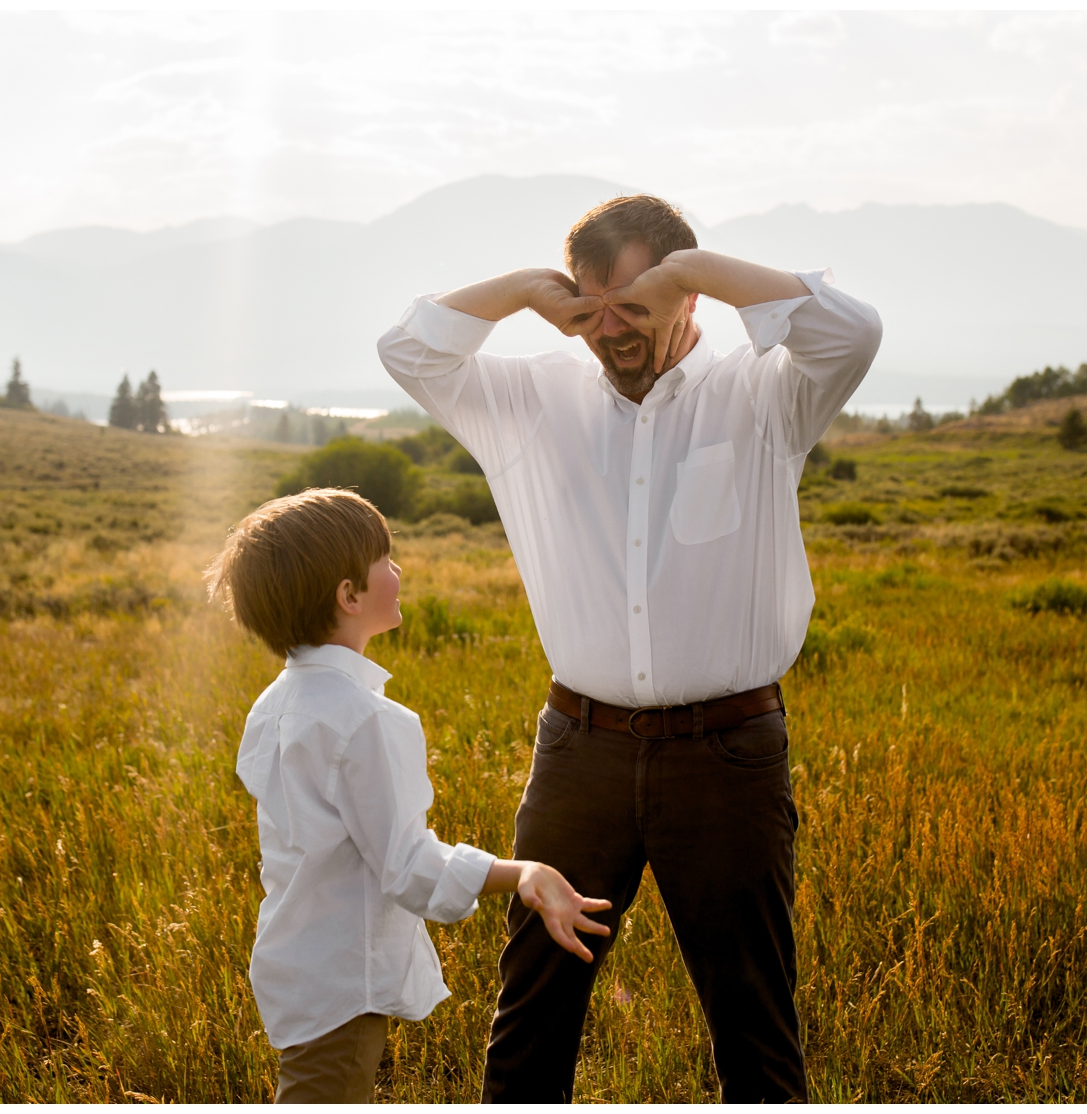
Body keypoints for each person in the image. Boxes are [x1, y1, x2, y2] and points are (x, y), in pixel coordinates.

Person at [376, 194, 882, 1102]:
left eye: (635, 304)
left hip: (728, 758)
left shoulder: (763, 395)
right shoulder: (529, 399)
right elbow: (407, 349)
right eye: (590, 308)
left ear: (685, 297)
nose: (609, 330)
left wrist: (694, 270)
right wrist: (530, 289)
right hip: (579, 754)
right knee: (532, 1013)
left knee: (754, 1024)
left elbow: (850, 330)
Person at [205, 488, 611, 1103]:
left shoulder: (277, 702)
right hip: (342, 982)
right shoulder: (366, 718)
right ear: (349, 596)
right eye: (384, 560)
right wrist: (522, 872)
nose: (397, 570)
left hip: (298, 966)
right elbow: (408, 867)